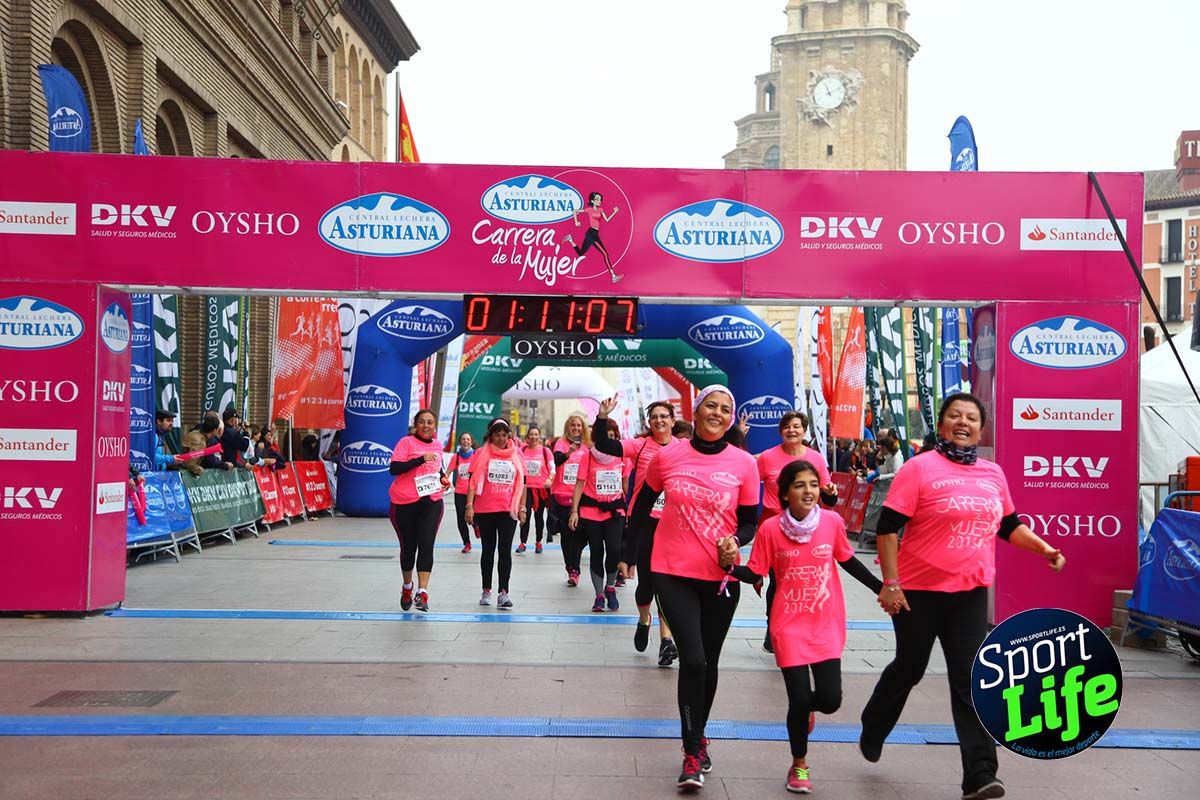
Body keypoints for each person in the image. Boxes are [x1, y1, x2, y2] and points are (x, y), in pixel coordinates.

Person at [859, 393, 1068, 800]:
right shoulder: (919, 469)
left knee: (971, 681)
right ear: (940, 425)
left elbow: (1009, 527)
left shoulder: (993, 474)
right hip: (917, 593)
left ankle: (980, 775)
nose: (963, 422)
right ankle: (875, 722)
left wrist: (1044, 549)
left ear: (981, 428)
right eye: (955, 415)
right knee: (910, 667)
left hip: (969, 593)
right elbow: (887, 529)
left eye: (972, 417)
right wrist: (892, 583)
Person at [626, 385, 760, 789]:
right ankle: (690, 752)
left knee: (711, 663)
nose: (717, 413)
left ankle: (699, 736)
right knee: (695, 660)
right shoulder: (668, 456)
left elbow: (751, 520)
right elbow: (641, 504)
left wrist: (735, 540)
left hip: (720, 576)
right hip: (672, 571)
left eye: (725, 409)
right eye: (711, 406)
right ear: (697, 411)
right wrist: (628, 554)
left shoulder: (744, 464)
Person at [721, 459, 882, 794]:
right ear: (785, 493)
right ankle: (799, 765)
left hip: (825, 623)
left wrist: (882, 588)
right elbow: (756, 572)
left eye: (812, 484)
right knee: (797, 699)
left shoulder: (832, 522)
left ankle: (806, 711)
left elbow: (848, 560)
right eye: (799, 485)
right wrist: (728, 567)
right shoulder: (769, 530)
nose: (808, 491)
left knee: (830, 699)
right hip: (788, 625)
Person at [756, 411, 838, 655]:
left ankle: (800, 628)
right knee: (779, 581)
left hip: (807, 530)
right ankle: (773, 628)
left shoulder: (815, 458)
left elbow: (827, 496)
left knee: (800, 581)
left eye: (797, 427)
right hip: (774, 528)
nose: (792, 430)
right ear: (780, 431)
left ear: (804, 431)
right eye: (787, 427)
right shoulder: (767, 458)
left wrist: (831, 494)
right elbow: (749, 483)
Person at [607, 399, 682, 665]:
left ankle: (666, 640)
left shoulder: (684, 449)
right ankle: (643, 619)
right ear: (649, 423)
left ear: (673, 420)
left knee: (666, 585)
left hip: (672, 525)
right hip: (644, 522)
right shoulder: (640, 446)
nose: (659, 421)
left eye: (664, 416)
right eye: (654, 418)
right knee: (647, 586)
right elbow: (607, 446)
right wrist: (603, 418)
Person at [568, 409, 630, 612]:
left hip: (615, 512)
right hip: (591, 511)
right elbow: (579, 484)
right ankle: (599, 595)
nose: (609, 441)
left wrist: (629, 510)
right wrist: (574, 511)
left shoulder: (622, 457)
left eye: (612, 437)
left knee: (614, 550)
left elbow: (626, 485)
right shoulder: (587, 455)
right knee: (596, 552)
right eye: (605, 437)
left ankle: (610, 586)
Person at [387, 408, 447, 613]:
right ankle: (407, 587)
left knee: (427, 544)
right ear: (416, 424)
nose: (426, 426)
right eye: (422, 422)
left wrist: (443, 478)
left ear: (435, 426)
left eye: (430, 422)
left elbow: (437, 468)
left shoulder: (438, 445)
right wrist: (419, 459)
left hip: (431, 500)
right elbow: (394, 469)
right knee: (409, 546)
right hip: (405, 502)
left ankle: (422, 592)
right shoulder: (406, 443)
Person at [466, 418, 527, 609]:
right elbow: (472, 482)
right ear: (490, 436)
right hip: (485, 509)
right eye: (497, 435)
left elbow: (523, 483)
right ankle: (486, 590)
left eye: (504, 434)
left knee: (505, 550)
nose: (501, 438)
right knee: (488, 550)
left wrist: (522, 508)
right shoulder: (480, 454)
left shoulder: (517, 455)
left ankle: (503, 592)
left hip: (508, 510)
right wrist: (469, 505)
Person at [550, 414, 591, 586]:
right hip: (562, 496)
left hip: (581, 497)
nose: (576, 428)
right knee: (567, 535)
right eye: (573, 425)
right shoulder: (561, 443)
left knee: (580, 535)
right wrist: (569, 452)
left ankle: (574, 564)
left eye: (579, 425)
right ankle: (572, 568)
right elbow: (557, 460)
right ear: (568, 427)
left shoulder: (588, 447)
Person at [564, 191, 622, 283]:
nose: (599, 201)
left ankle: (570, 239)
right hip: (591, 234)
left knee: (581, 253)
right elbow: (575, 211)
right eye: (597, 199)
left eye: (600, 199)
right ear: (592, 200)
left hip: (594, 233)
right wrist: (576, 222)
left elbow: (607, 220)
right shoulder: (589, 209)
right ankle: (613, 276)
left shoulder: (601, 210)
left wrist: (614, 212)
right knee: (605, 254)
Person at [518, 426, 554, 553]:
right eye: (531, 435)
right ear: (527, 437)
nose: (533, 437)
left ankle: (538, 542)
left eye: (536, 434)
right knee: (524, 515)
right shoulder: (522, 450)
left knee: (539, 517)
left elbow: (553, 469)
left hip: (540, 489)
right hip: (526, 489)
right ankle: (523, 542)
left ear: (539, 436)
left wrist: (550, 479)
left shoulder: (545, 451)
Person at [447, 433, 477, 553]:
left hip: (474, 491)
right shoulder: (457, 457)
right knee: (461, 518)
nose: (465, 441)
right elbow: (448, 472)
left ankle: (476, 526)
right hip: (460, 492)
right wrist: (445, 481)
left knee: (475, 515)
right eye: (463, 439)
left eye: (468, 439)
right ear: (460, 442)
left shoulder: (476, 455)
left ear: (471, 442)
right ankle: (467, 543)